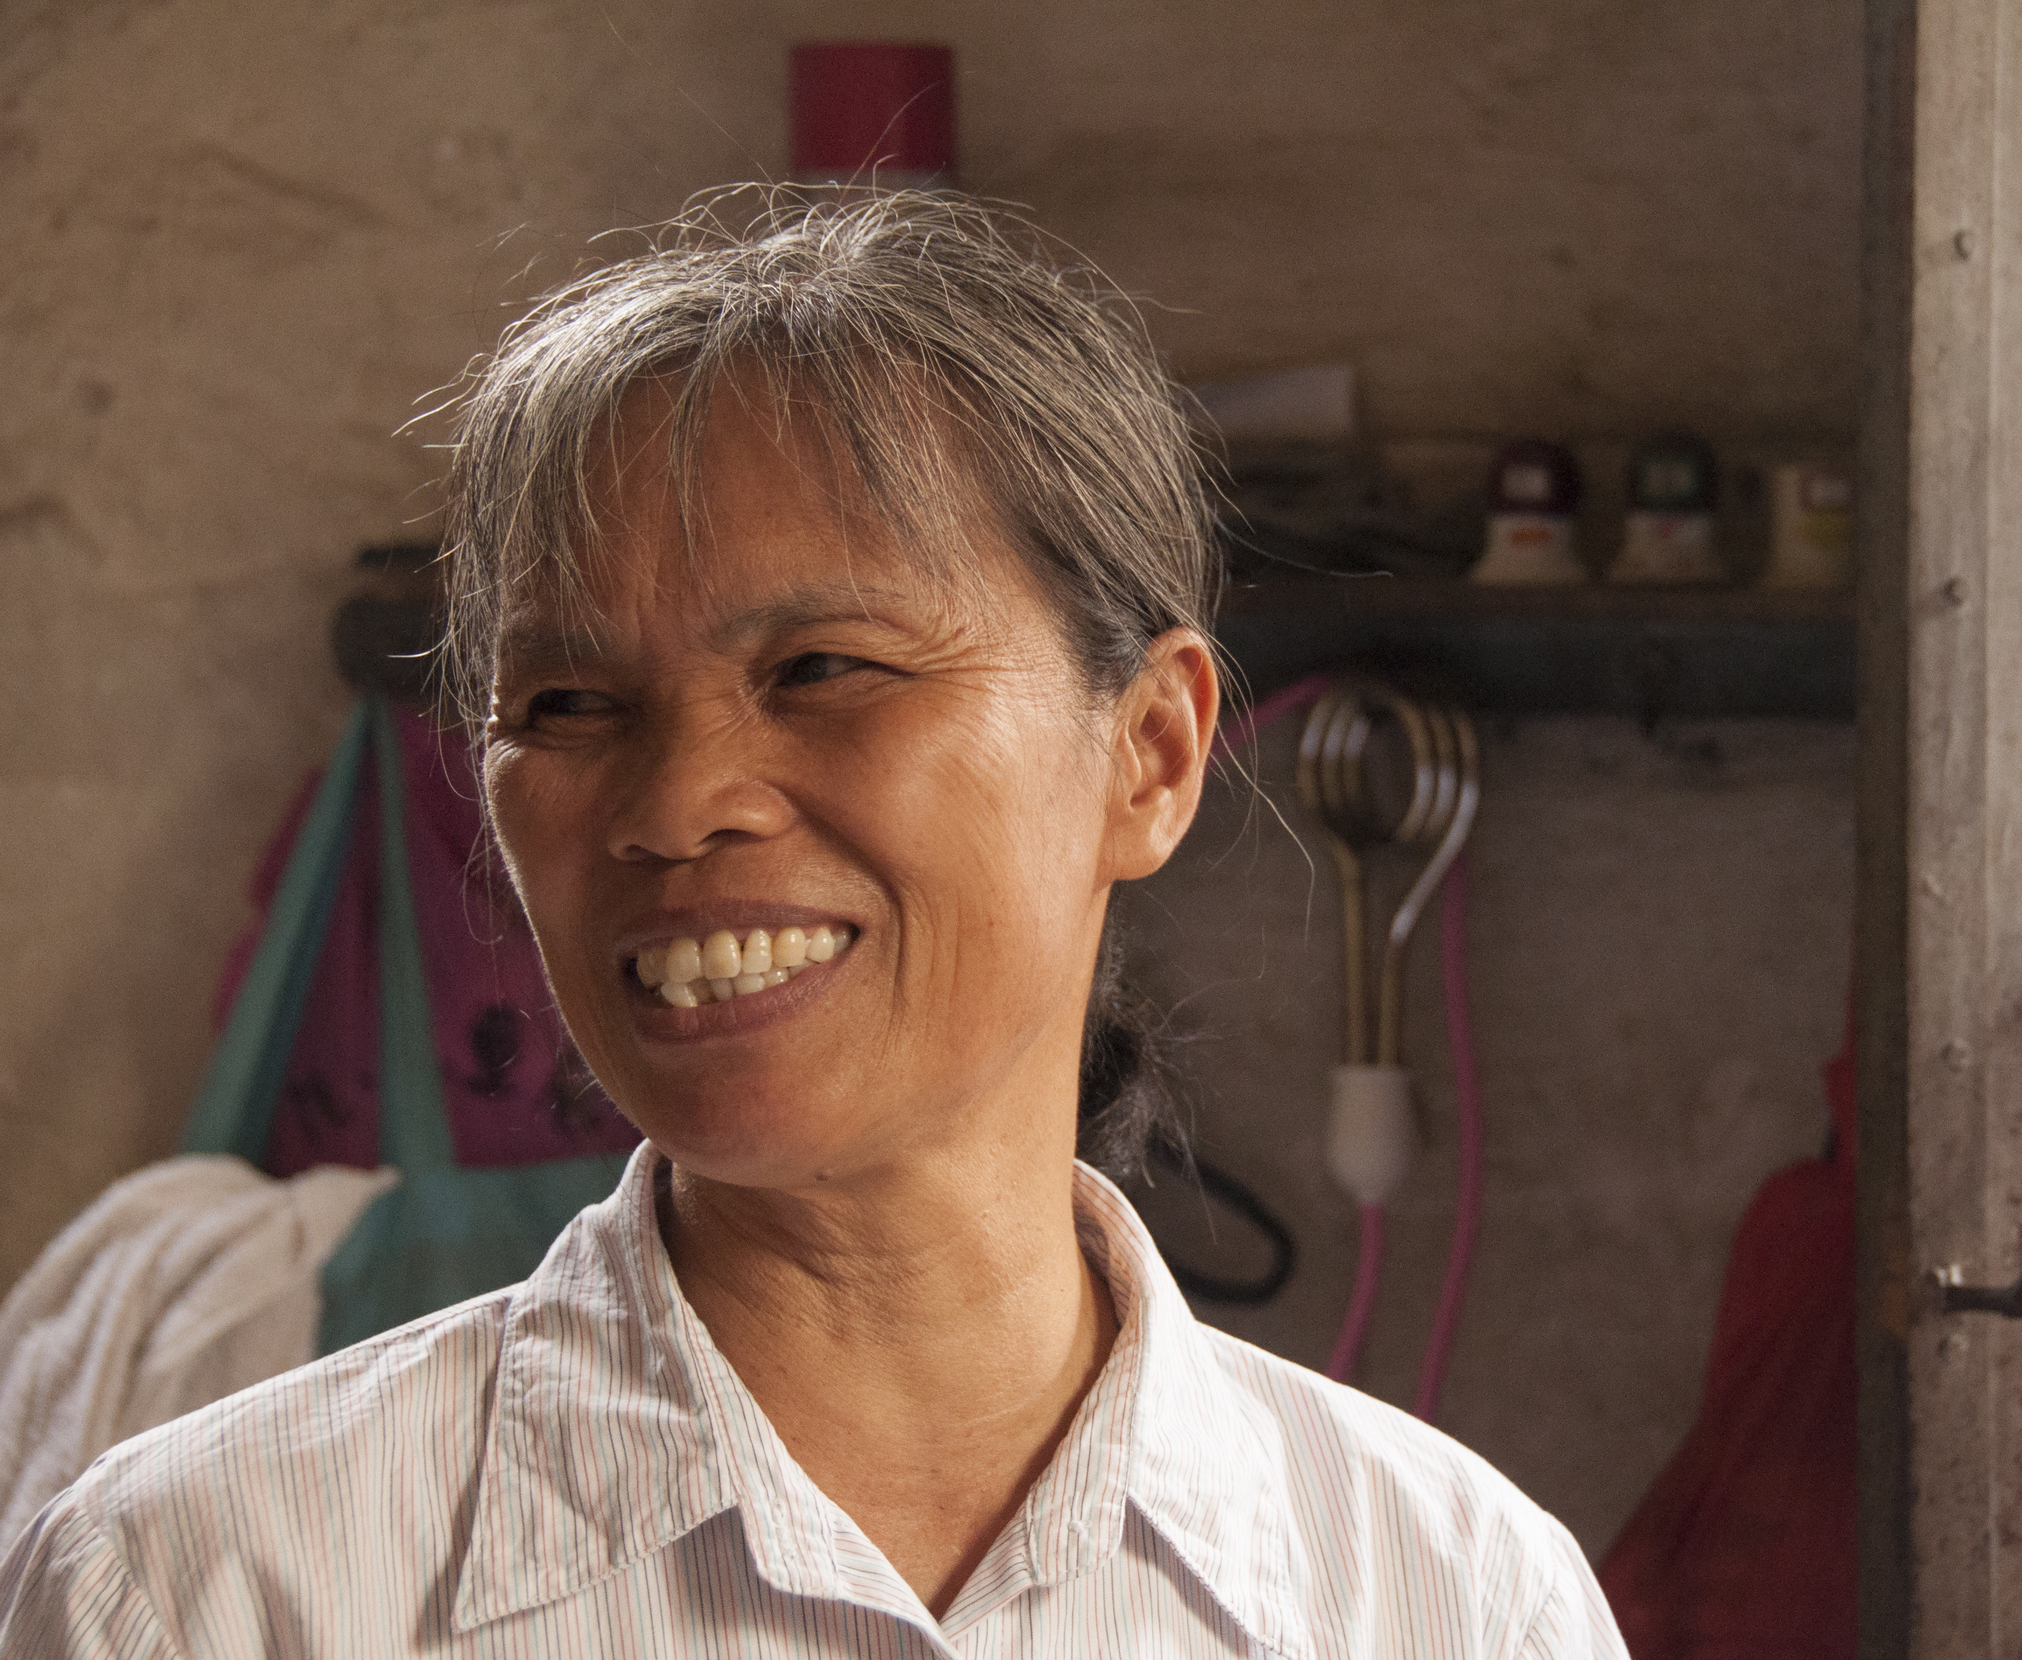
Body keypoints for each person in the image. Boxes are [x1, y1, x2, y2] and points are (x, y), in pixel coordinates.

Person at [0, 192, 1624, 1658]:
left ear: (1150, 751)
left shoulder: (1453, 1600)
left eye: (823, 669)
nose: (677, 800)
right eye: (565, 703)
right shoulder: (208, 1593)